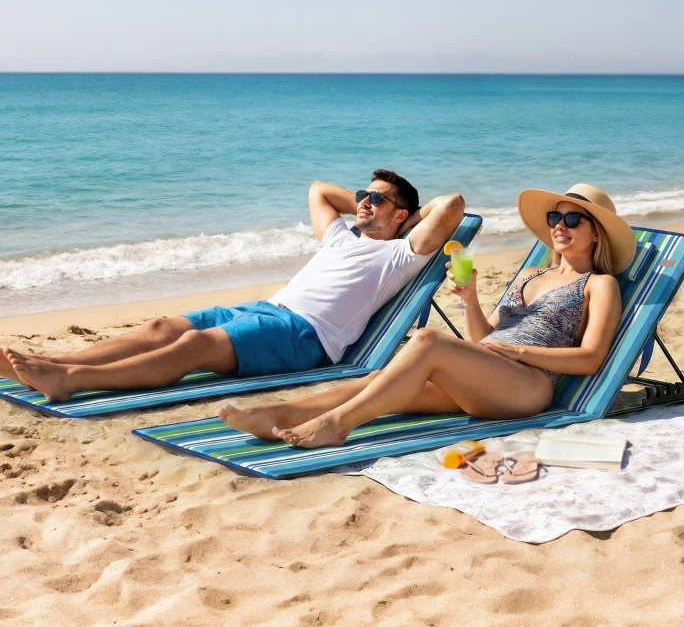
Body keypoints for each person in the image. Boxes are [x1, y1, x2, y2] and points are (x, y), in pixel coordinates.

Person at [0, 170, 465, 401]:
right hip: (265, 309)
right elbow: (317, 188)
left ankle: (70, 382)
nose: (361, 203)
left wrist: (402, 221)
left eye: (375, 199)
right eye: (361, 195)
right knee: (161, 326)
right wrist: (370, 203)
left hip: (305, 336)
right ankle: (50, 365)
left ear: (401, 215)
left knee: (196, 344)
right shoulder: (341, 234)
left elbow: (452, 205)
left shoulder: (399, 253)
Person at [218, 183, 636, 449]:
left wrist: (521, 352)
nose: (560, 226)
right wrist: (470, 300)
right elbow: (483, 338)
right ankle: (277, 413)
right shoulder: (531, 272)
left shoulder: (600, 284)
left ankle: (337, 425)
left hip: (528, 387)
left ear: (595, 231)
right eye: (554, 218)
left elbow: (591, 358)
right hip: (488, 373)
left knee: (427, 339)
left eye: (572, 219)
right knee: (377, 383)